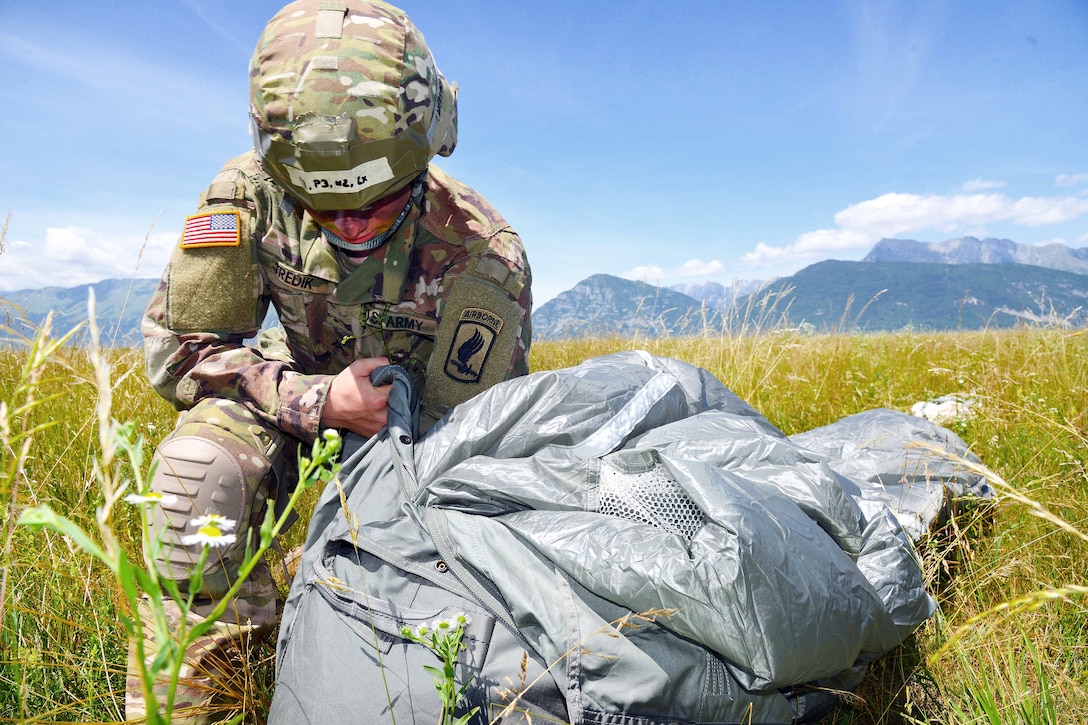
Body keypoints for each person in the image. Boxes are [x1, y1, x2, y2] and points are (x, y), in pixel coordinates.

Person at [128, 0, 532, 720]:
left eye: (375, 204)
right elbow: (177, 350)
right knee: (197, 475)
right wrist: (314, 402)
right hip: (294, 398)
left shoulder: (483, 253)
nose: (347, 225)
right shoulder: (245, 194)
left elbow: (482, 441)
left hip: (427, 440)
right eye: (318, 204)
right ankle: (215, 699)